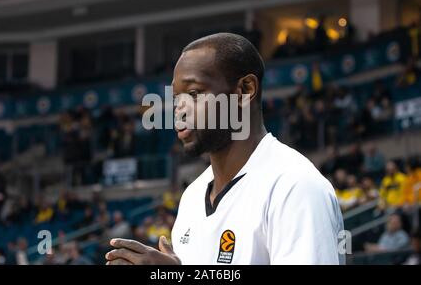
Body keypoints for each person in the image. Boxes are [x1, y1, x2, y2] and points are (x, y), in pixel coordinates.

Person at [106, 33, 344, 265]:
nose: (179, 109)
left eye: (194, 93)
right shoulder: (192, 197)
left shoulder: (294, 186)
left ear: (245, 90)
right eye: (177, 98)